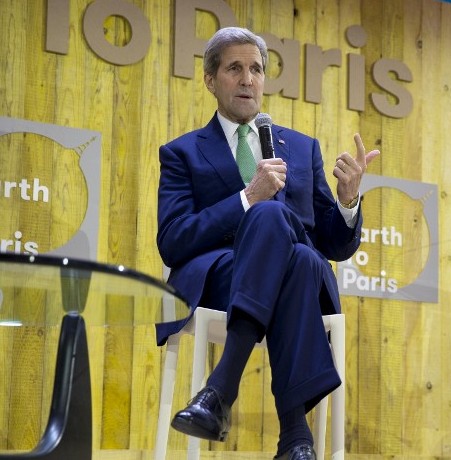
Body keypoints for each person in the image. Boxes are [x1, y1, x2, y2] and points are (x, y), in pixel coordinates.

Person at [155, 26, 379, 460]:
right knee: (282, 234)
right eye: (235, 68)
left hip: (296, 279)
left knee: (290, 244)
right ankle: (295, 434)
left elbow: (333, 242)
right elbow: (173, 240)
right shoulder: (181, 153)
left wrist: (349, 201)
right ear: (210, 80)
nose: (248, 79)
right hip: (224, 278)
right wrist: (247, 199)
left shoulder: (300, 147)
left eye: (256, 69)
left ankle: (220, 390)